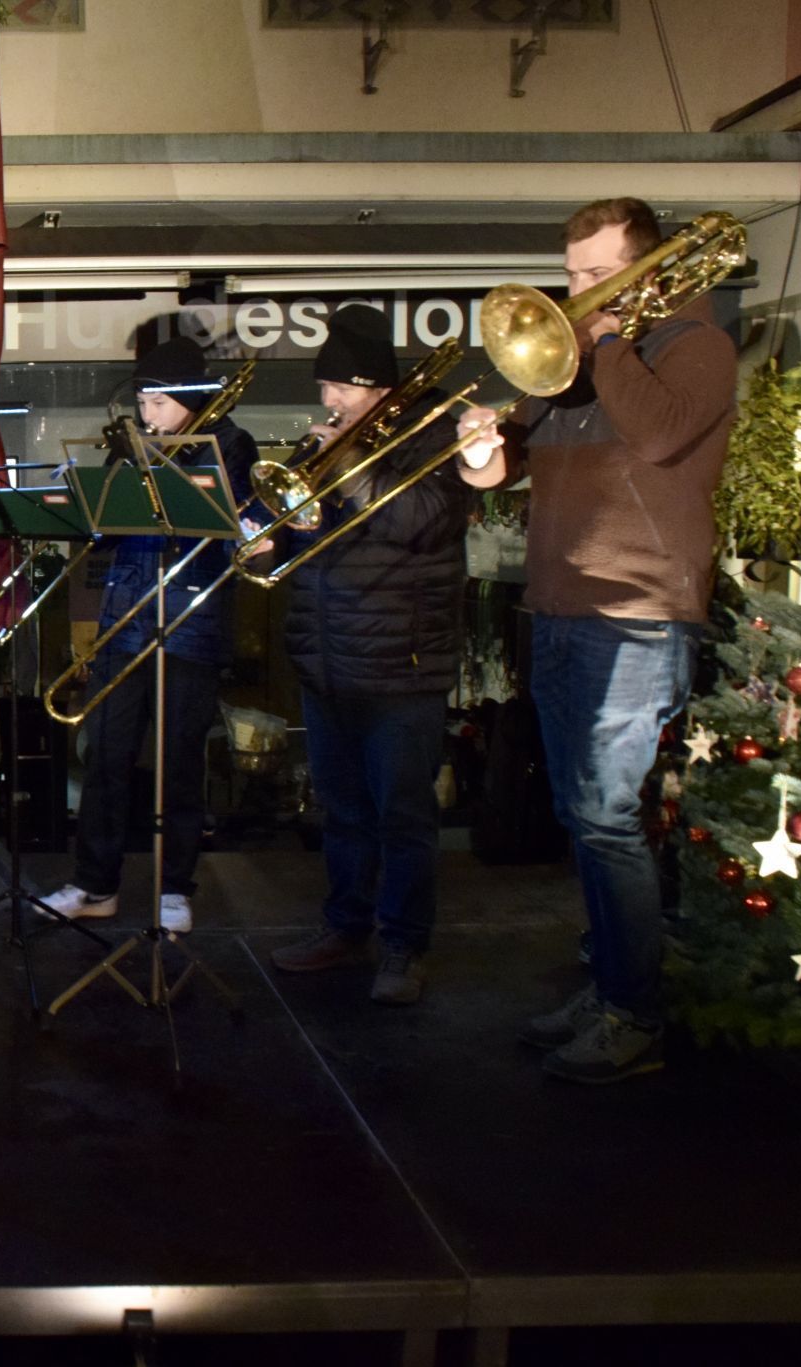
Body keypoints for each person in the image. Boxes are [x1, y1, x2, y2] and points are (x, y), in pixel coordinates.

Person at [456, 198, 737, 1082]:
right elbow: (505, 471)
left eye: (591, 273)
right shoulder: (578, 364)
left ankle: (634, 1012)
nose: (573, 290)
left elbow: (658, 435)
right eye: (571, 272)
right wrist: (476, 449)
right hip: (562, 606)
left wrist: (609, 341)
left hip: (639, 609)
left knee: (609, 816)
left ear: (643, 269)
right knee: (584, 813)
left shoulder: (695, 346)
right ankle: (611, 980)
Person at [267, 305, 474, 1006]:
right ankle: (345, 925)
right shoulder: (321, 446)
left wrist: (350, 465)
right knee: (344, 812)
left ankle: (403, 946)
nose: (326, 402)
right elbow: (297, 534)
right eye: (324, 388)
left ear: (376, 388)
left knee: (405, 818)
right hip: (326, 658)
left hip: (400, 664)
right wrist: (277, 533)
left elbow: (423, 522)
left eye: (338, 389)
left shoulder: (431, 434)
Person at [40, 337, 259, 935]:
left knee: (178, 764)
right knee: (106, 757)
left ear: (187, 399)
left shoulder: (231, 444)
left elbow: (231, 519)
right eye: (142, 399)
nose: (146, 413)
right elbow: (106, 535)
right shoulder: (133, 447)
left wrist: (174, 468)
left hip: (190, 623)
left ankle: (176, 889)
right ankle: (94, 884)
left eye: (157, 401)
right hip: (124, 622)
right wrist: (80, 503)